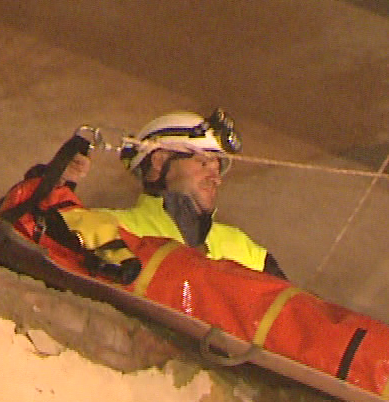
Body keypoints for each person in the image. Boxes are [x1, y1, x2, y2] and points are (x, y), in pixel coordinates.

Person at [106, 110, 285, 278]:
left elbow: (294, 306)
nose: (216, 180)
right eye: (203, 163)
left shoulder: (244, 249)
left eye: (218, 170)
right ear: (159, 162)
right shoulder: (111, 226)